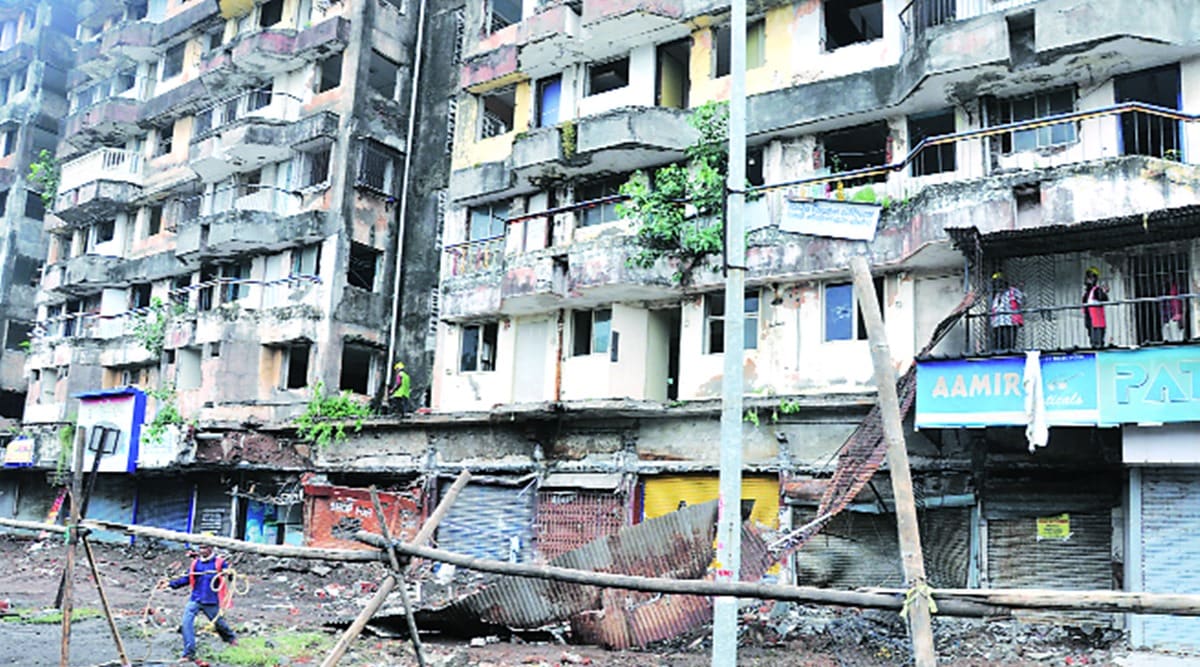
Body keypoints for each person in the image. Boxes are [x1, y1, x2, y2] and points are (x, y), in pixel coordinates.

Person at [158, 541, 237, 664]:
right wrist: (170, 584)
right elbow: (188, 579)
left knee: (219, 623)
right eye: (200, 548)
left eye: (204, 548)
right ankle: (189, 653)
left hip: (211, 601)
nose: (201, 551)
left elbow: (230, 577)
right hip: (195, 599)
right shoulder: (196, 564)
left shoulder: (219, 563)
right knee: (186, 624)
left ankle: (231, 639)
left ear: (211, 548)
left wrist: (228, 573)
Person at [989, 271, 1025, 352]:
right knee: (999, 344)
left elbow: (1022, 301)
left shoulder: (1013, 291)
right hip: (998, 324)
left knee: (1008, 344)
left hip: (1010, 322)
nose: (997, 285)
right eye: (995, 283)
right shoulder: (997, 295)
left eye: (999, 282)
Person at [1082, 266, 1108, 348]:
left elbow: (1103, 298)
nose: (1088, 279)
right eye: (1088, 277)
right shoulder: (1086, 294)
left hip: (1097, 324)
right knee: (1093, 343)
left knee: (1098, 344)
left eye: (1091, 277)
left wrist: (1104, 292)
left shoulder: (1096, 290)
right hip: (1090, 322)